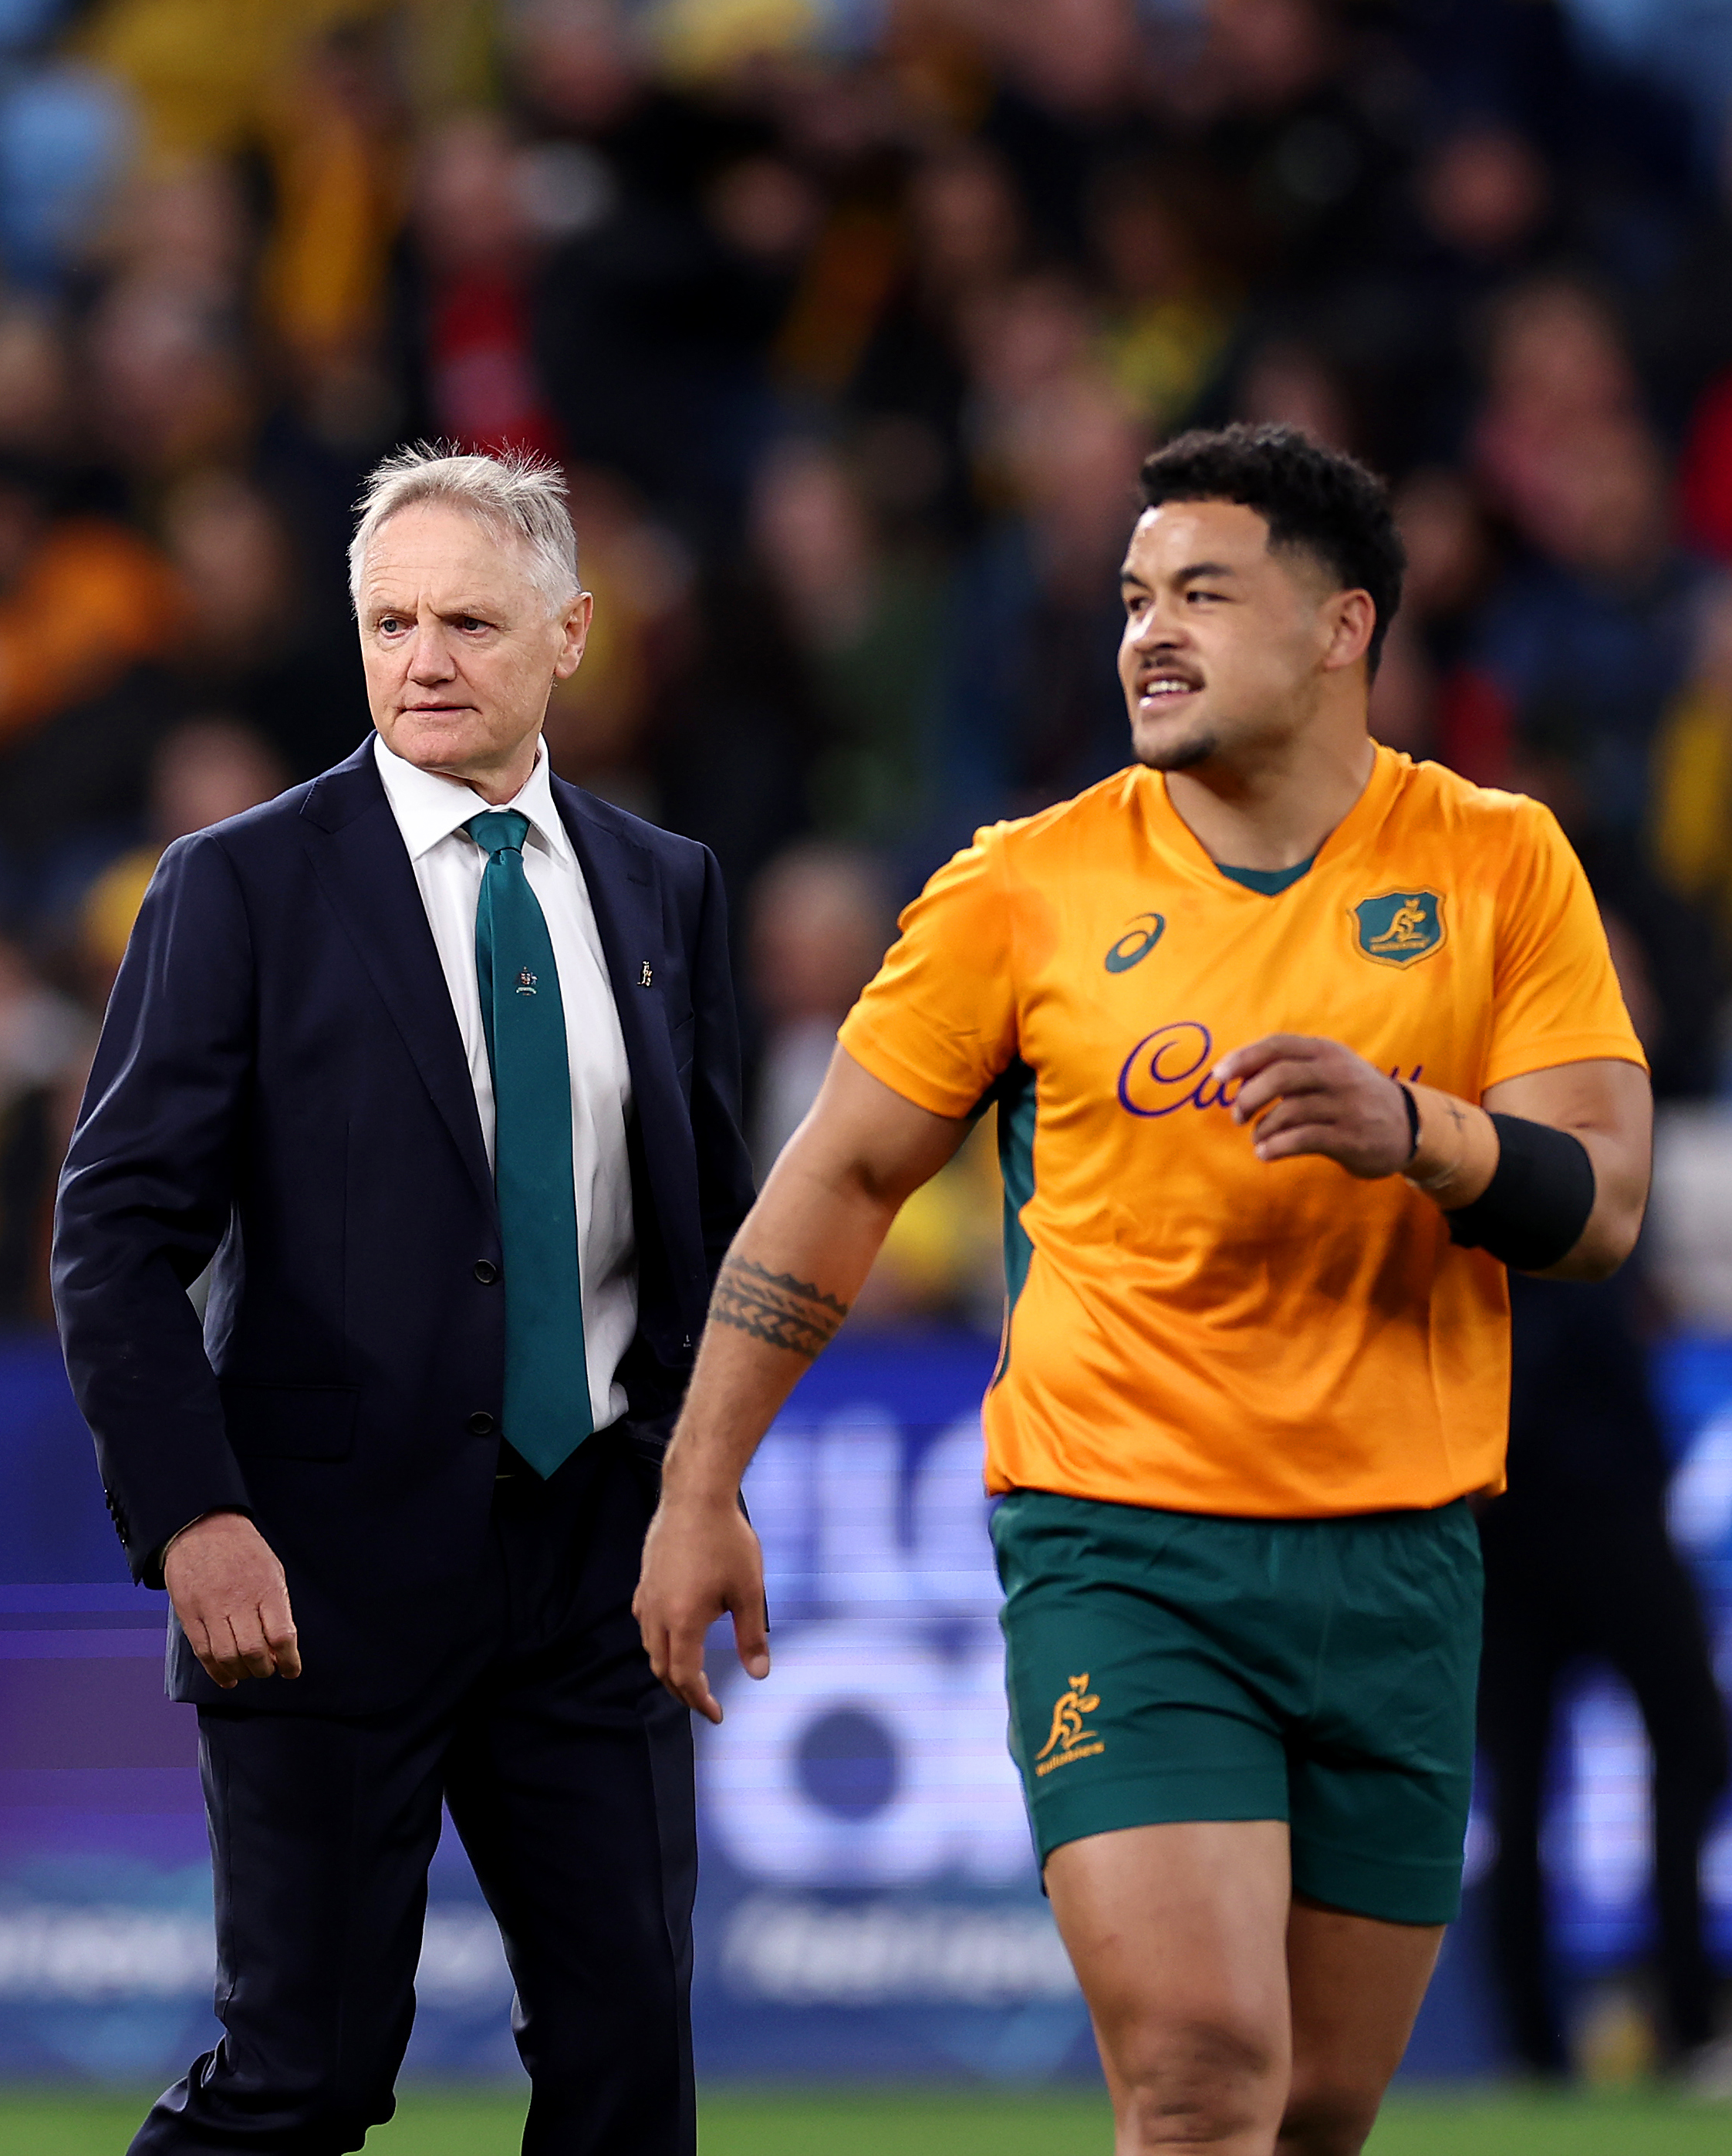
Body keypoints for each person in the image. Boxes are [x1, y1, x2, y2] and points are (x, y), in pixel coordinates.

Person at [640, 422, 1656, 2156]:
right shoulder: (1017, 886)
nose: (1144, 633)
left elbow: (1599, 1200)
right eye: (1127, 597)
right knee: (1195, 2077)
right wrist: (695, 1474)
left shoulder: (1496, 860)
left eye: (1198, 590)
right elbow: (837, 1179)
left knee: (1316, 2108)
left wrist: (1416, 1130)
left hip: (1399, 1554)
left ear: (1340, 628)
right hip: (1121, 1546)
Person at [54, 446, 753, 2155]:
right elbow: (113, 1231)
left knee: (626, 2070)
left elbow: (710, 1234)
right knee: (303, 2076)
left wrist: (698, 1481)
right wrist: (194, 1515)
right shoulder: (237, 881)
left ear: (569, 634)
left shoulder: (665, 885)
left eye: (463, 620)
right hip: (312, 1569)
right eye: (388, 621)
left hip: (589, 1567)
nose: (421, 658)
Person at [1477, 1264, 1730, 2087]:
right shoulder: (1556, 1189)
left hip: (1512, 1522)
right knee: (1679, 1747)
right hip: (1596, 1520)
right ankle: (1680, 2025)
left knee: (1518, 1787)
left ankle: (1532, 2042)